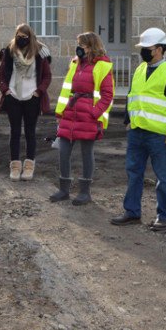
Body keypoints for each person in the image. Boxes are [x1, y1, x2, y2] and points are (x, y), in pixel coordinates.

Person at [110, 28, 166, 231]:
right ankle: (132, 212)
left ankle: (164, 217)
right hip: (137, 131)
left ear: (159, 49)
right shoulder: (140, 69)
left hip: (159, 135)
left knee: (163, 176)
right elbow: (132, 95)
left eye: (146, 48)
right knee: (134, 173)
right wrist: (128, 119)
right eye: (142, 48)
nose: (142, 52)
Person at [50, 32, 114, 206]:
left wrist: (94, 114)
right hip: (70, 113)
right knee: (63, 152)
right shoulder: (74, 63)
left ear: (91, 47)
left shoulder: (103, 65)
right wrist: (59, 113)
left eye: (81, 44)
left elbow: (108, 95)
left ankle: (85, 192)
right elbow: (66, 90)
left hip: (88, 117)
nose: (78, 47)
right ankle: (64, 190)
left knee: (87, 153)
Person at [0, 23, 52, 181]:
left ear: (30, 37)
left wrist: (38, 92)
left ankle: (29, 166)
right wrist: (6, 90)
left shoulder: (39, 53)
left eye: (24, 37)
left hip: (31, 98)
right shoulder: (9, 51)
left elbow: (47, 76)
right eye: (18, 37)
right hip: (13, 96)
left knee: (30, 132)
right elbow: (1, 74)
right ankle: (15, 166)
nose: (21, 40)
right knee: (14, 132)